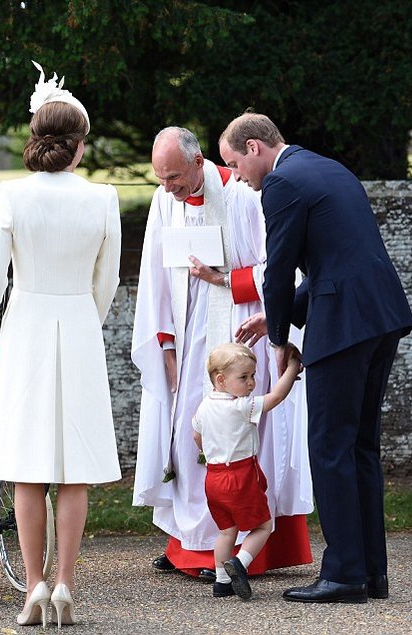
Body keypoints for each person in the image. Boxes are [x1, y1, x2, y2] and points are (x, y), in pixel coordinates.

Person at [218, 112, 412, 604]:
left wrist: (277, 338)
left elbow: (279, 269)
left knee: (329, 446)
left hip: (344, 325)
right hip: (380, 316)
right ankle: (370, 572)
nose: (236, 176)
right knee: (360, 446)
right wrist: (279, 316)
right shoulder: (328, 167)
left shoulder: (280, 183)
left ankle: (345, 575)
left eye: (235, 164)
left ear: (254, 148)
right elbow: (335, 260)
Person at [0, 62, 122, 628]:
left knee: (27, 466)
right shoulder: (103, 198)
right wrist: (86, 320)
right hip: (77, 324)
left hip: (26, 325)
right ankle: (65, 585)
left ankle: (34, 584)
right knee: (74, 468)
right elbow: (107, 280)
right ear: (79, 145)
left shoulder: (11, 193)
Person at [131, 126, 313, 583]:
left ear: (198, 163)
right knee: (188, 434)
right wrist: (165, 342)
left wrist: (225, 280)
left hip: (240, 323)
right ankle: (188, 545)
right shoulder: (163, 201)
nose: (166, 188)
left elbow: (279, 264)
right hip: (187, 326)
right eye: (160, 178)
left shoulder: (244, 195)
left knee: (245, 431)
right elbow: (155, 271)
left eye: (174, 177)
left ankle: (253, 550)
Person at [192, 342, 302, 601]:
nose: (251, 383)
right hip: (240, 476)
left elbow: (197, 436)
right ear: (221, 379)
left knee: (226, 532)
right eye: (243, 377)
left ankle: (222, 582)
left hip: (213, 478)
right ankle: (240, 562)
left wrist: (211, 452)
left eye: (253, 375)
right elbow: (276, 397)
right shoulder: (241, 406)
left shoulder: (204, 406)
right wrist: (293, 367)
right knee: (264, 526)